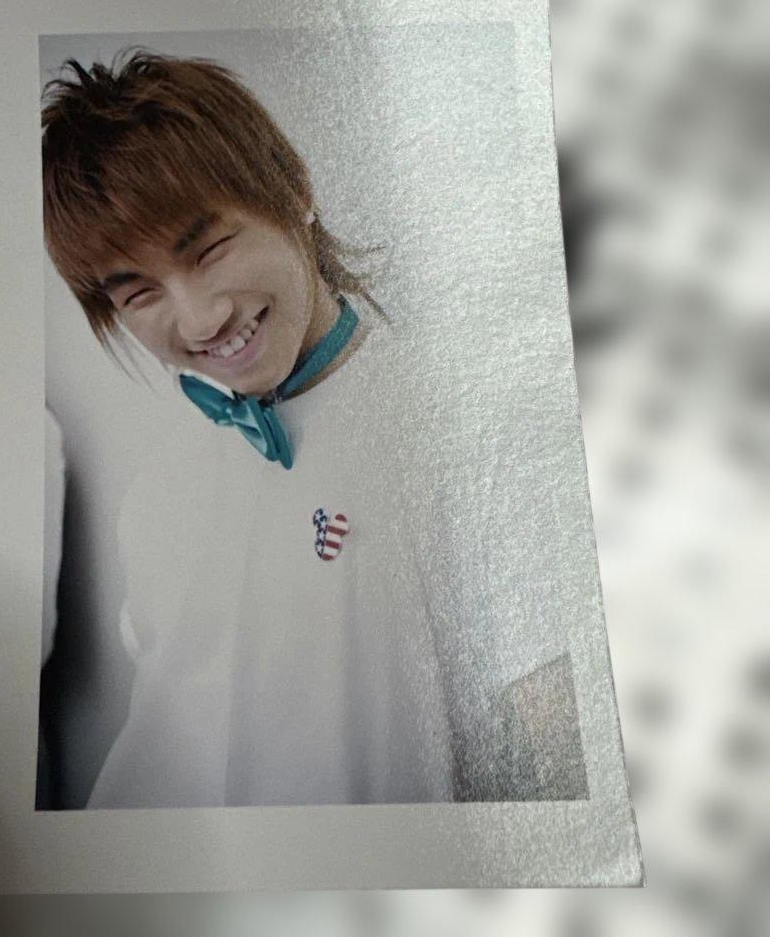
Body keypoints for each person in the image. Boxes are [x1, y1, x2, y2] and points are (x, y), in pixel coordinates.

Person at [40, 49, 587, 807]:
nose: (199, 320)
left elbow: (558, 756)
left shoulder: (477, 429)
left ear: (293, 190)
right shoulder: (157, 499)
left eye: (208, 251)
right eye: (139, 294)